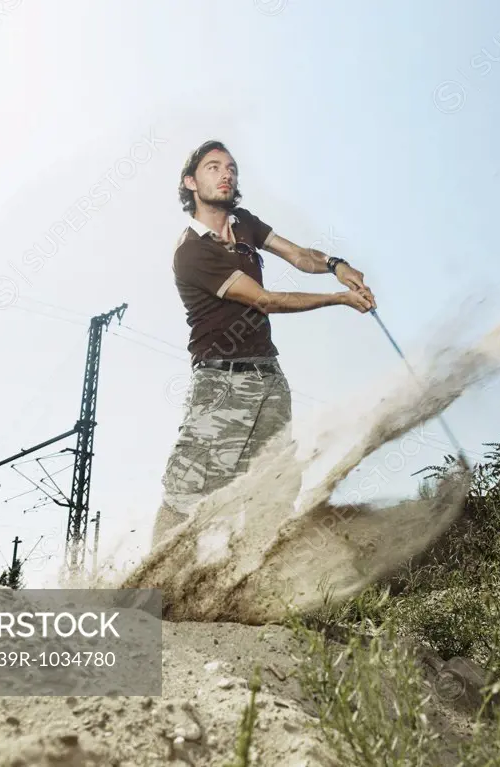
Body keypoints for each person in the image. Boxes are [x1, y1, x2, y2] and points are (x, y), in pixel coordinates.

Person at [150, 139, 377, 548]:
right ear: (190, 183)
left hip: (270, 379)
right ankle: (152, 595)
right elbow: (264, 300)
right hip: (219, 385)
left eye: (231, 167)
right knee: (188, 491)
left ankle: (253, 585)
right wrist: (339, 299)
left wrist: (335, 266)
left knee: (273, 487)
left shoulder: (243, 224)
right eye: (213, 167)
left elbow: (297, 254)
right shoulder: (191, 252)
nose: (226, 174)